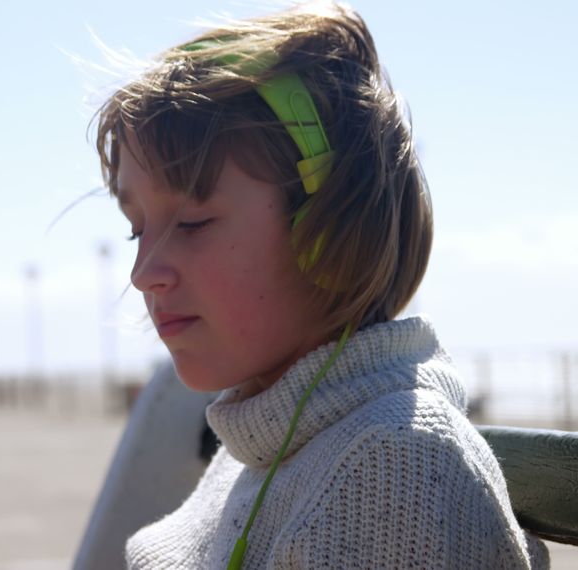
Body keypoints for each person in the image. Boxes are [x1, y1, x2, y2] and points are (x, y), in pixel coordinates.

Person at [92, 2, 548, 568]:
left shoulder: (393, 471)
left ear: (327, 232)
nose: (143, 274)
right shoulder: (265, 437)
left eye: (192, 223)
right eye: (138, 231)